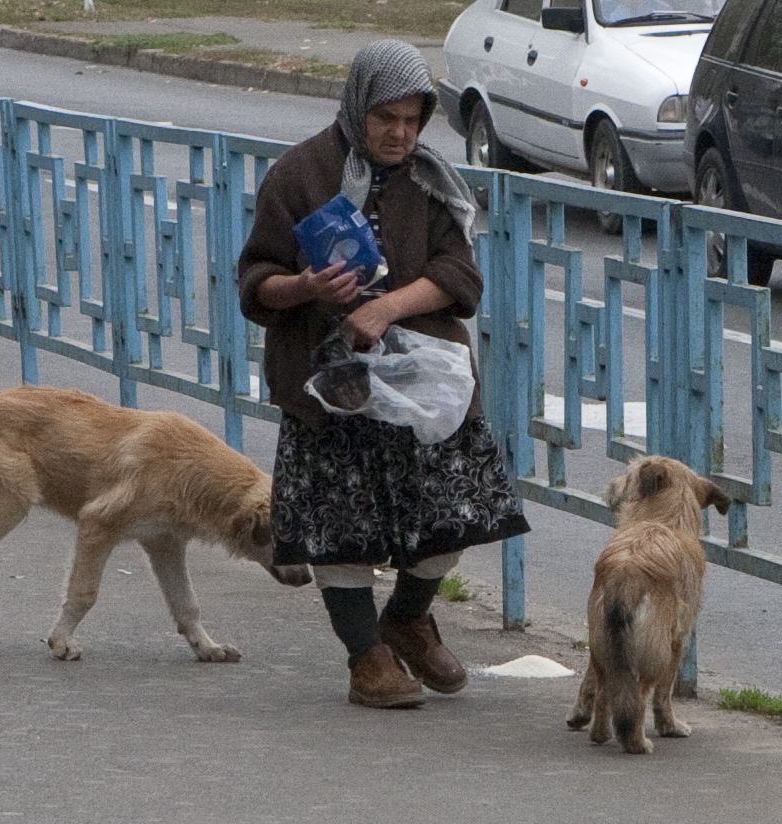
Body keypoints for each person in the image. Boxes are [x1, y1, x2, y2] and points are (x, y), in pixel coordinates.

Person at [238, 39, 530, 709]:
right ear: (357, 108)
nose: (400, 134)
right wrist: (306, 285)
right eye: (385, 119)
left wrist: (387, 308)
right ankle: (366, 657)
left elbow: (461, 277)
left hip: (419, 380)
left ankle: (407, 618)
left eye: (413, 120)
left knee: (459, 513)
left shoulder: (430, 180)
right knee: (338, 528)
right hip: (327, 384)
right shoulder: (298, 175)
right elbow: (255, 284)